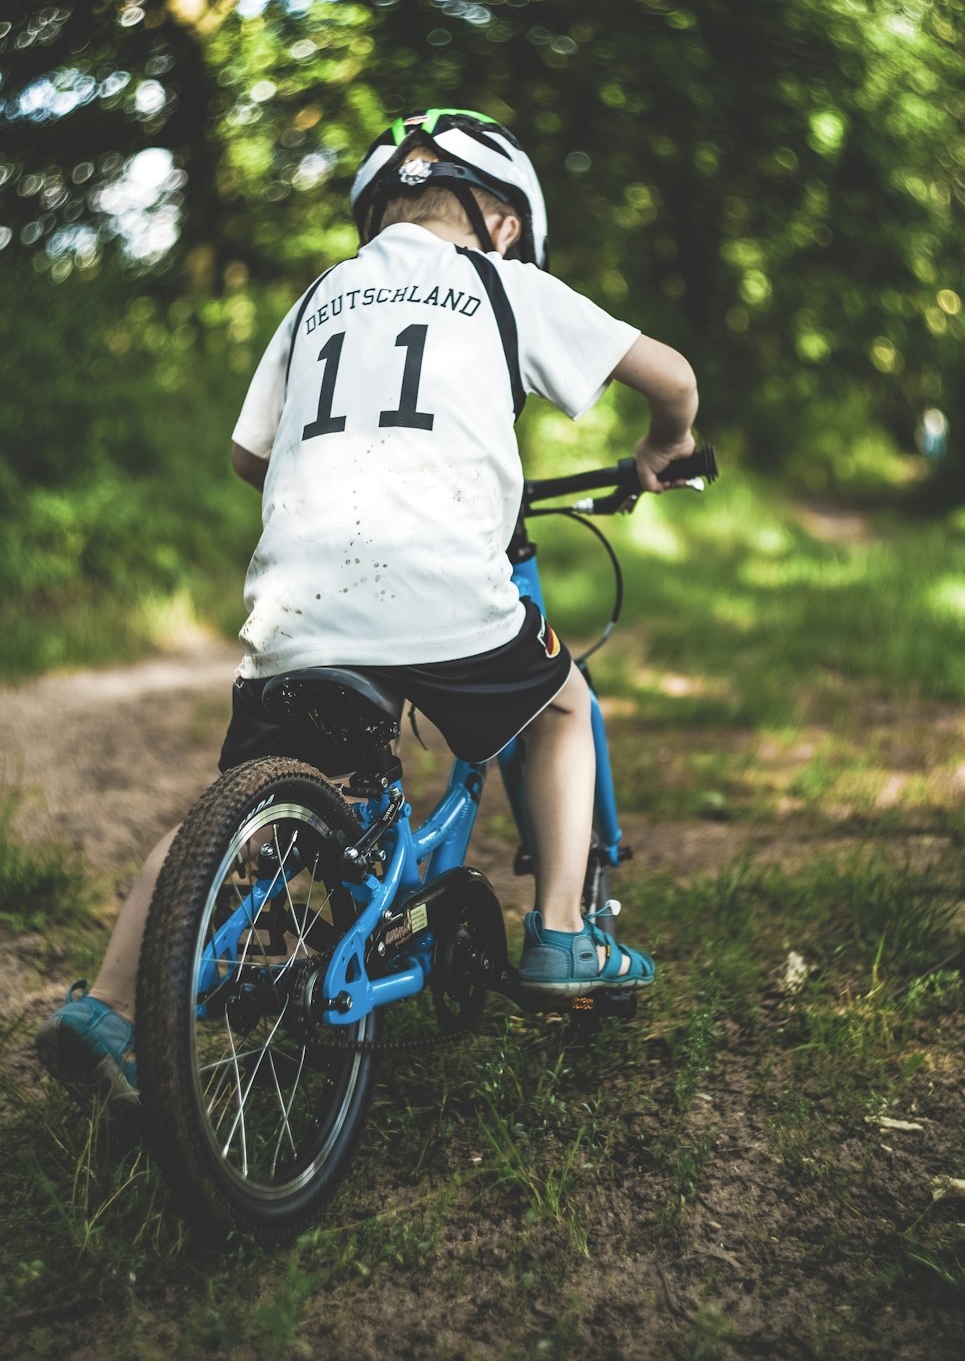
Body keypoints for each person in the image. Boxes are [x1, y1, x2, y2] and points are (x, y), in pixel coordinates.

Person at [36, 107, 699, 1107]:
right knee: (560, 708)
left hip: (300, 597)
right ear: (504, 221)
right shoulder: (501, 282)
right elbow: (674, 379)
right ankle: (562, 933)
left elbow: (247, 455)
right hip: (439, 585)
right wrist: (661, 448)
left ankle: (112, 1008)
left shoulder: (318, 297)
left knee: (262, 778)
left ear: (379, 210)